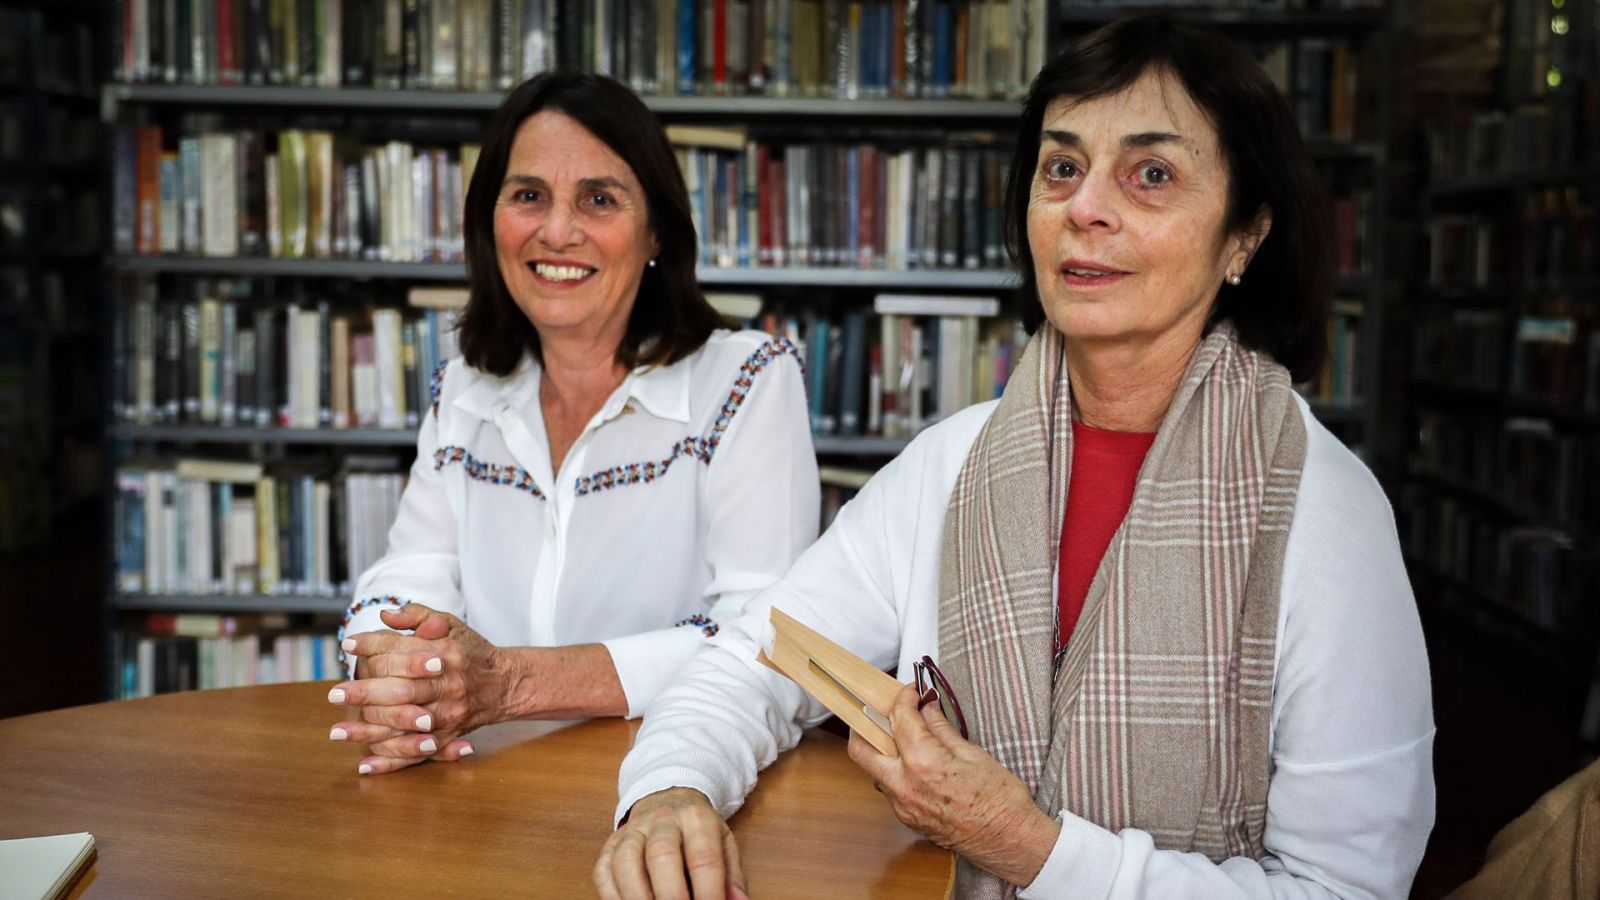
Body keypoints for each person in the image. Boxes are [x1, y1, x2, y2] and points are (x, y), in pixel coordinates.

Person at [596, 14, 1434, 899]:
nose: (1085, 208)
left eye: (1151, 175)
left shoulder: (1323, 509)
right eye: (1062, 168)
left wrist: (1032, 848)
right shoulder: (950, 465)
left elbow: (1350, 889)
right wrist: (668, 790)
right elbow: (753, 659)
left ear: (1244, 237)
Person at [325, 72, 819, 775]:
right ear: (488, 220)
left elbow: (772, 640)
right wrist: (401, 674)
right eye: (529, 196)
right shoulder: (464, 387)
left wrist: (512, 682)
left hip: (677, 783)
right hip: (483, 784)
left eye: (599, 199)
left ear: (656, 232)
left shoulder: (745, 381)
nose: (557, 231)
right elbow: (410, 572)